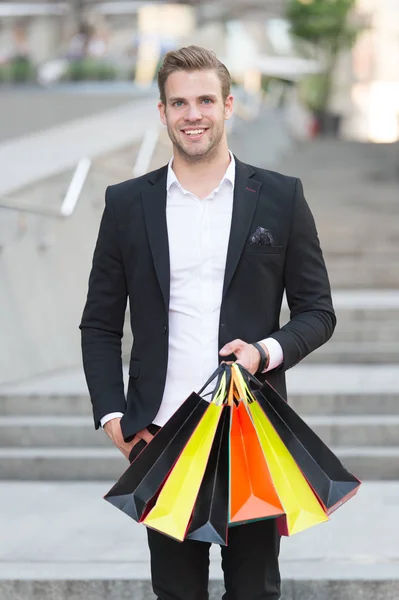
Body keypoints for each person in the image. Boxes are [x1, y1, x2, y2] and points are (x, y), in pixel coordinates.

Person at [80, 45, 336, 600]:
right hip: (162, 437)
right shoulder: (127, 204)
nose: (192, 114)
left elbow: (318, 312)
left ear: (228, 106)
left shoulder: (280, 197)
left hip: (252, 432)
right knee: (176, 593)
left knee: (255, 592)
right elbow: (99, 323)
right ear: (162, 112)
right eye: (178, 103)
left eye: (204, 100)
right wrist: (114, 417)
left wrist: (265, 351)